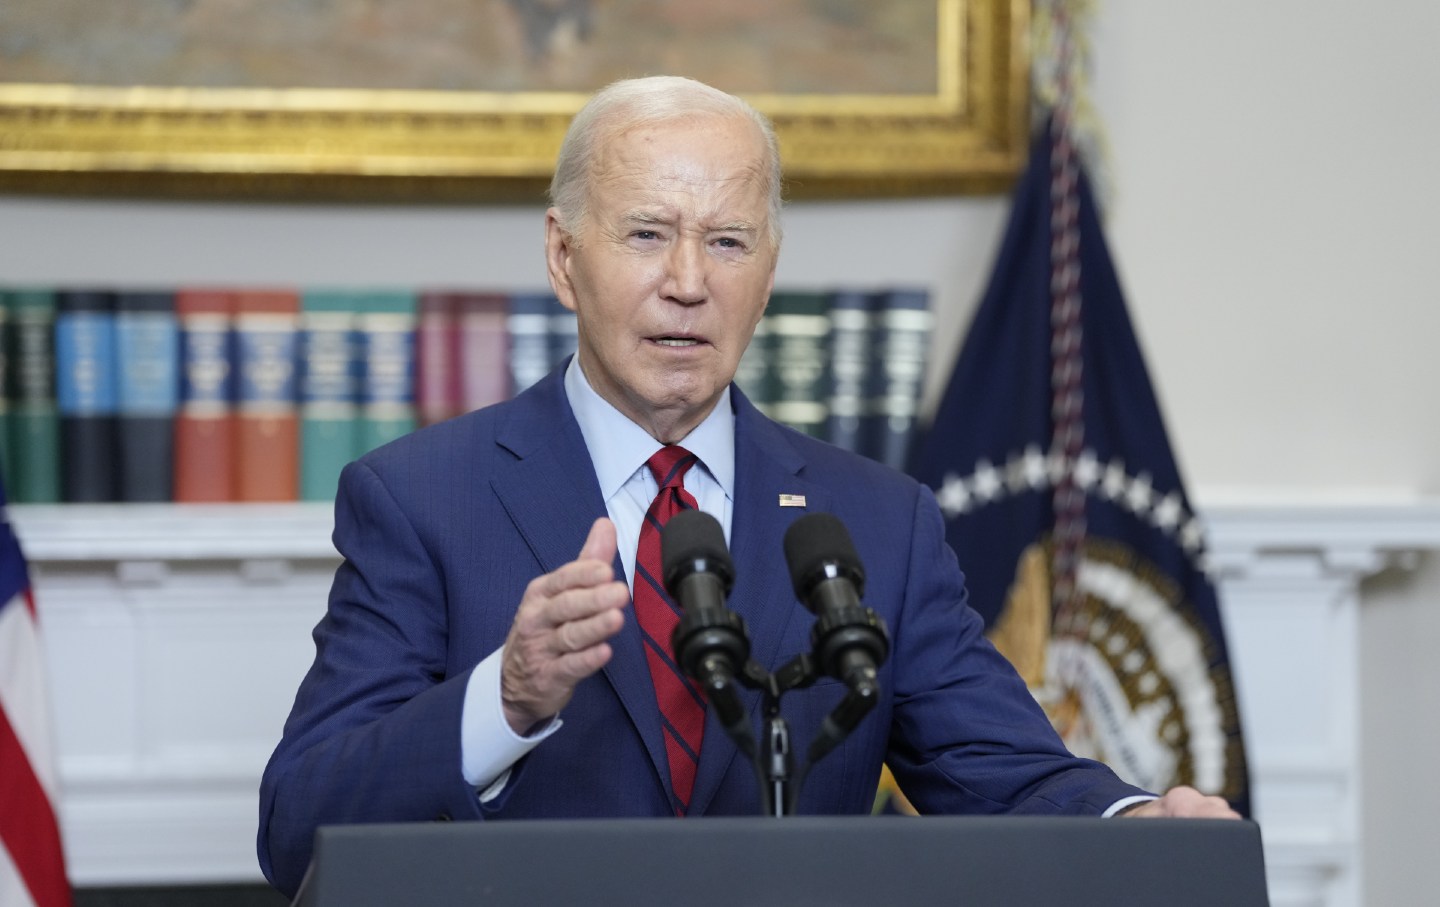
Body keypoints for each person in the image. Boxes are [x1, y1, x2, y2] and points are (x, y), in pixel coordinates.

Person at [257, 75, 1237, 898]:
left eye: (727, 242)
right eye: (647, 234)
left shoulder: (877, 523)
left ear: (768, 274)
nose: (689, 281)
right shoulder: (422, 499)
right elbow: (299, 830)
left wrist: (1137, 817)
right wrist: (504, 698)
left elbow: (1004, 771)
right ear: (564, 256)